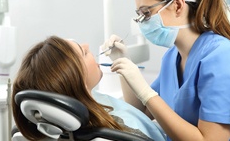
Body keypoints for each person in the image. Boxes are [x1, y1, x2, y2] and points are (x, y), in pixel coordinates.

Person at [101, 0, 230, 141]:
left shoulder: (223, 56)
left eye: (146, 13)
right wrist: (122, 62)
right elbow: (141, 111)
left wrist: (146, 92)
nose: (141, 22)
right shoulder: (171, 57)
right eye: (139, 14)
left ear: (177, 5)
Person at [11, 35, 165, 141]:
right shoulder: (118, 132)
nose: (87, 45)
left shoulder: (78, 110)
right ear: (78, 81)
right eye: (83, 52)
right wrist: (145, 92)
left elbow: (132, 112)